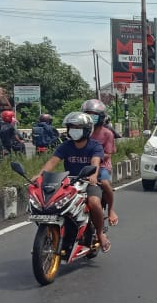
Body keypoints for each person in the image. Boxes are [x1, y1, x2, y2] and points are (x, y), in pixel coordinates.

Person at [39, 112, 111, 252]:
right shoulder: (65, 146)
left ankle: (100, 234)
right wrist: (40, 175)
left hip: (88, 182)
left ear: (86, 129)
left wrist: (93, 176)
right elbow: (52, 162)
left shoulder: (95, 146)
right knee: (51, 204)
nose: (74, 130)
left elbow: (95, 162)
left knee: (94, 202)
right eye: (71, 127)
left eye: (78, 127)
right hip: (69, 183)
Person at [82, 99, 119, 226]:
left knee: (104, 182)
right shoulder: (82, 131)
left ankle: (111, 210)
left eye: (93, 115)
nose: (90, 118)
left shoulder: (107, 133)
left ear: (101, 117)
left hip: (102, 165)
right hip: (83, 165)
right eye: (87, 114)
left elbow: (108, 154)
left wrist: (95, 157)